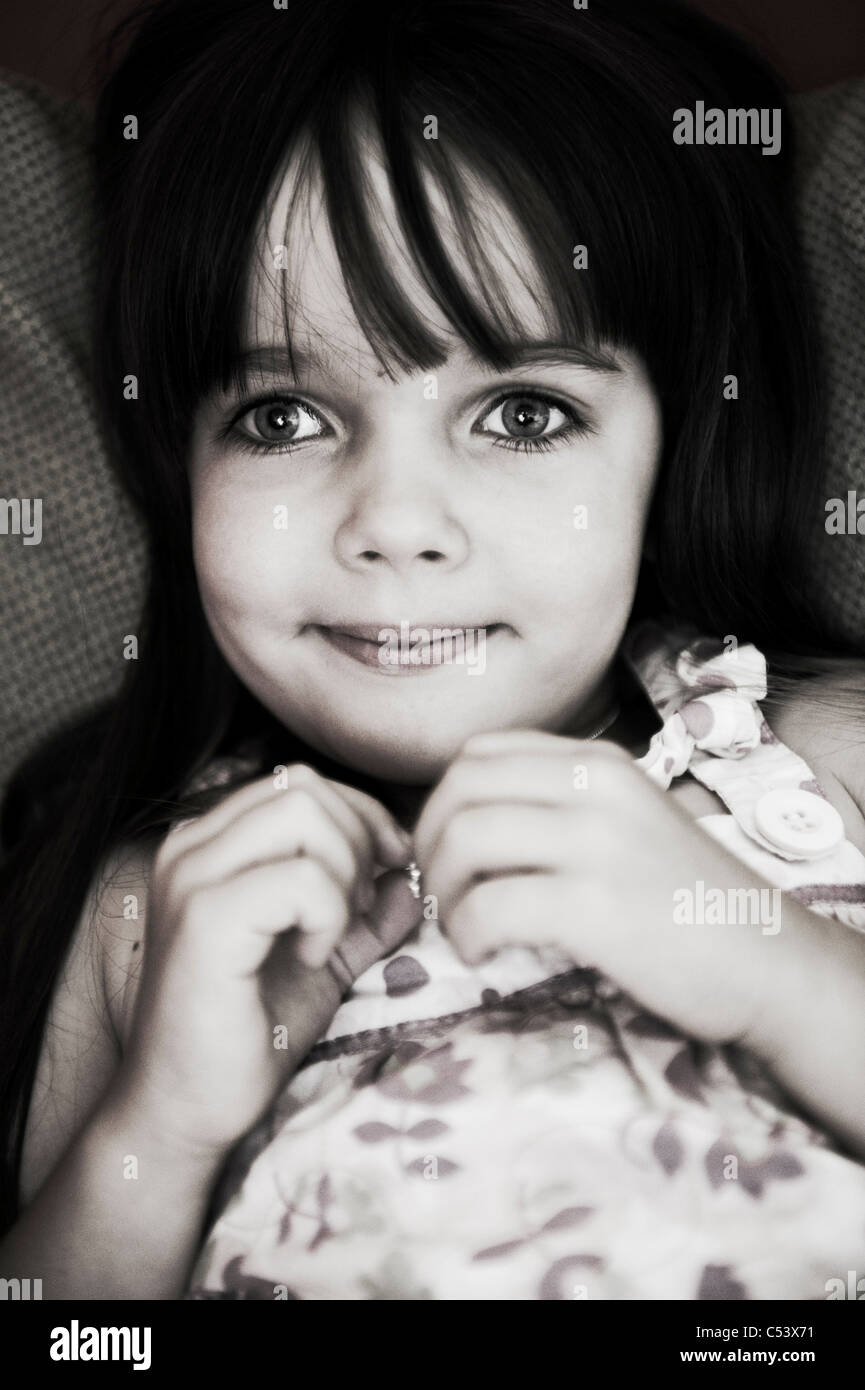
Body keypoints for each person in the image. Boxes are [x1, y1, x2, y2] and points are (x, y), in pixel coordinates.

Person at [1, 0, 863, 1299]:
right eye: (281, 414)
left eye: (522, 413)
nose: (396, 525)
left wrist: (772, 976)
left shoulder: (815, 758)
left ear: (673, 450)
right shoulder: (155, 905)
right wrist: (163, 1124)